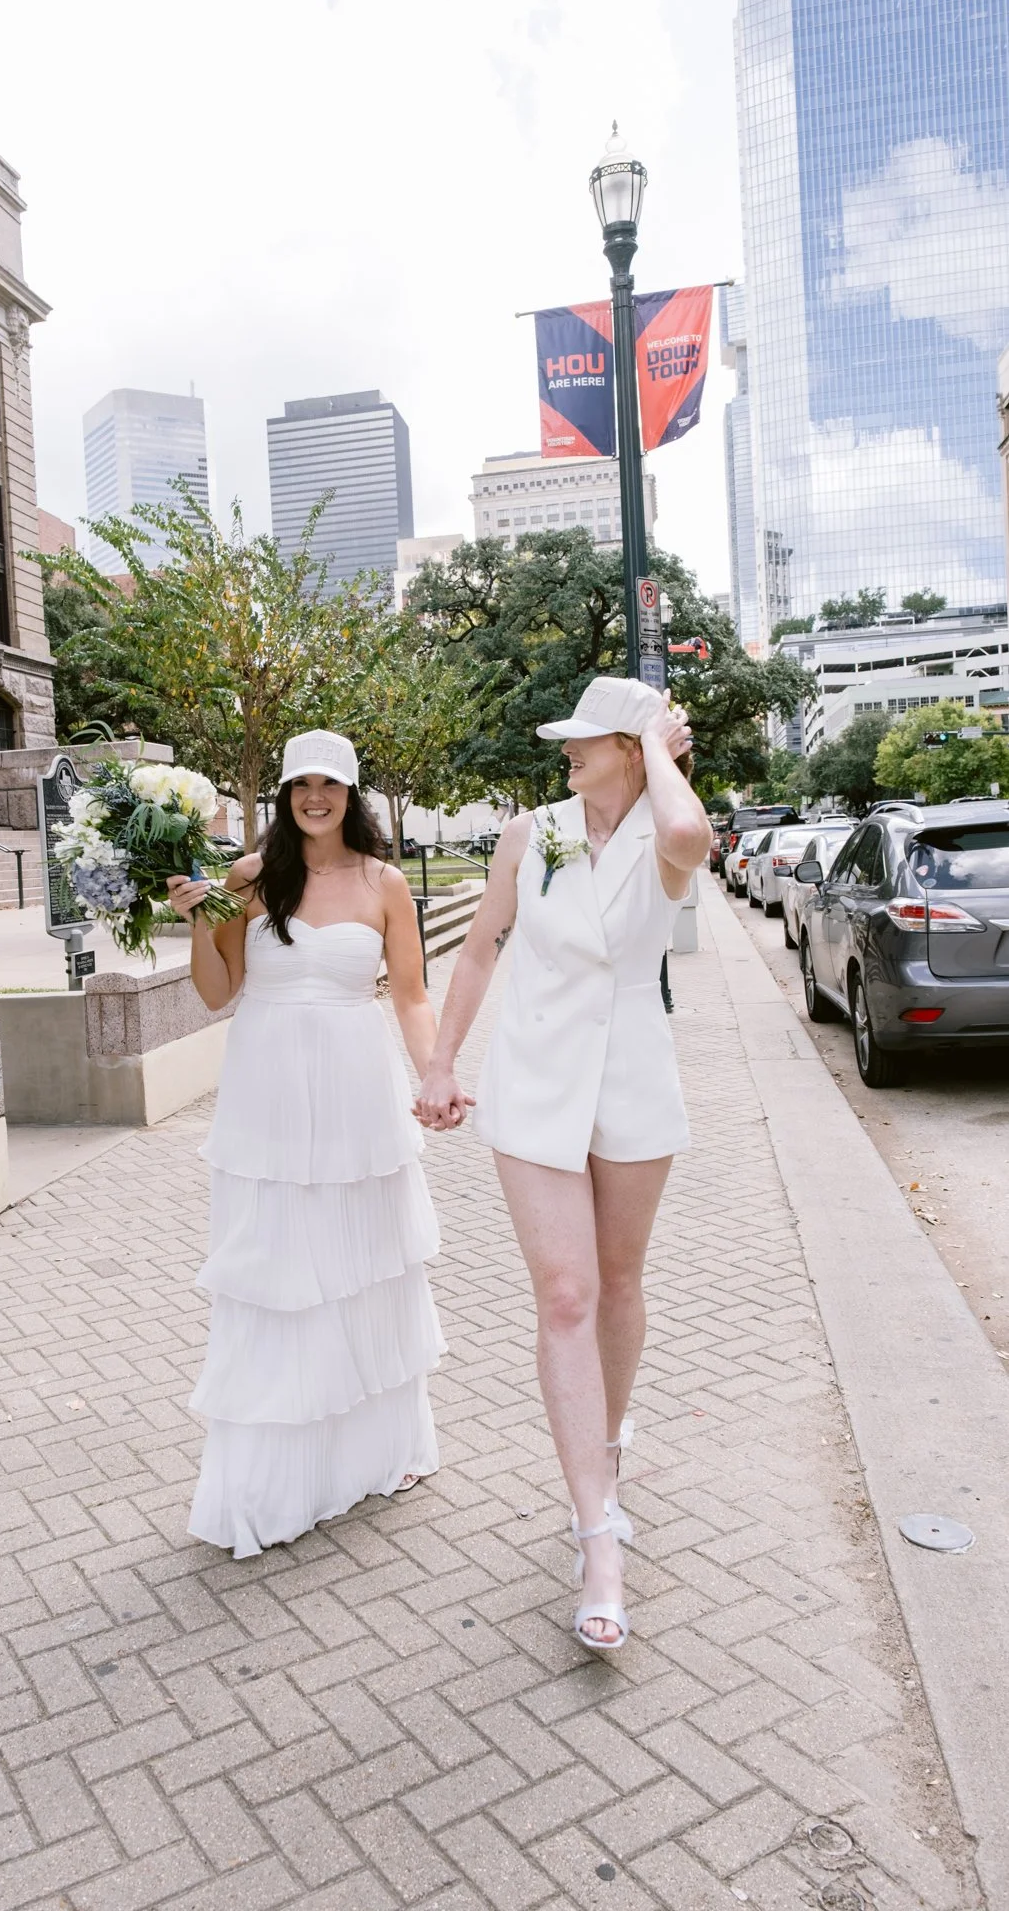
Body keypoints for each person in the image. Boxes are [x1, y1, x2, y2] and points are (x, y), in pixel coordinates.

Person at [415, 679, 711, 1651]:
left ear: (627, 748)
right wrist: (439, 1058)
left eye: (589, 738)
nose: (567, 751)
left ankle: (606, 1452)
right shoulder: (529, 832)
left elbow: (689, 839)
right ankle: (597, 1538)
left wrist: (661, 752)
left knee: (620, 1282)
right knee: (567, 1297)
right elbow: (478, 951)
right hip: (535, 1083)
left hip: (630, 1082)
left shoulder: (658, 836)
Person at [169, 729, 445, 1558]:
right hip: (268, 1095)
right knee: (281, 1269)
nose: (313, 798)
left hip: (361, 1090)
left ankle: (372, 1450)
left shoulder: (385, 883)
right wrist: (194, 925)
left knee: (363, 1265)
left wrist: (435, 1076)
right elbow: (219, 992)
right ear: (283, 796)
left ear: (351, 794)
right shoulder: (249, 879)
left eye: (329, 784)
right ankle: (279, 1473)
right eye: (299, 785)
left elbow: (411, 996)